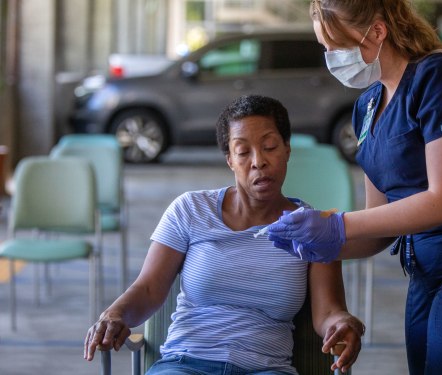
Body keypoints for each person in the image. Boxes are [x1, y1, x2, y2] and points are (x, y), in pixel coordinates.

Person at [267, 1, 442, 374]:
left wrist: (337, 223)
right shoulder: (367, 106)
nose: (331, 58)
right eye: (326, 49)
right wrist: (318, 247)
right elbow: (379, 224)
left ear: (378, 32)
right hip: (426, 267)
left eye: (335, 47)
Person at [83, 94, 363, 375]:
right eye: (243, 152)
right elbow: (147, 289)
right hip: (184, 363)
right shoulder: (190, 210)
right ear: (230, 159)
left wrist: (342, 323)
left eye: (269, 147)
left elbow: (328, 313)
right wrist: (115, 314)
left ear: (287, 150)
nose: (258, 162)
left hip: (265, 368)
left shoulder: (313, 228)